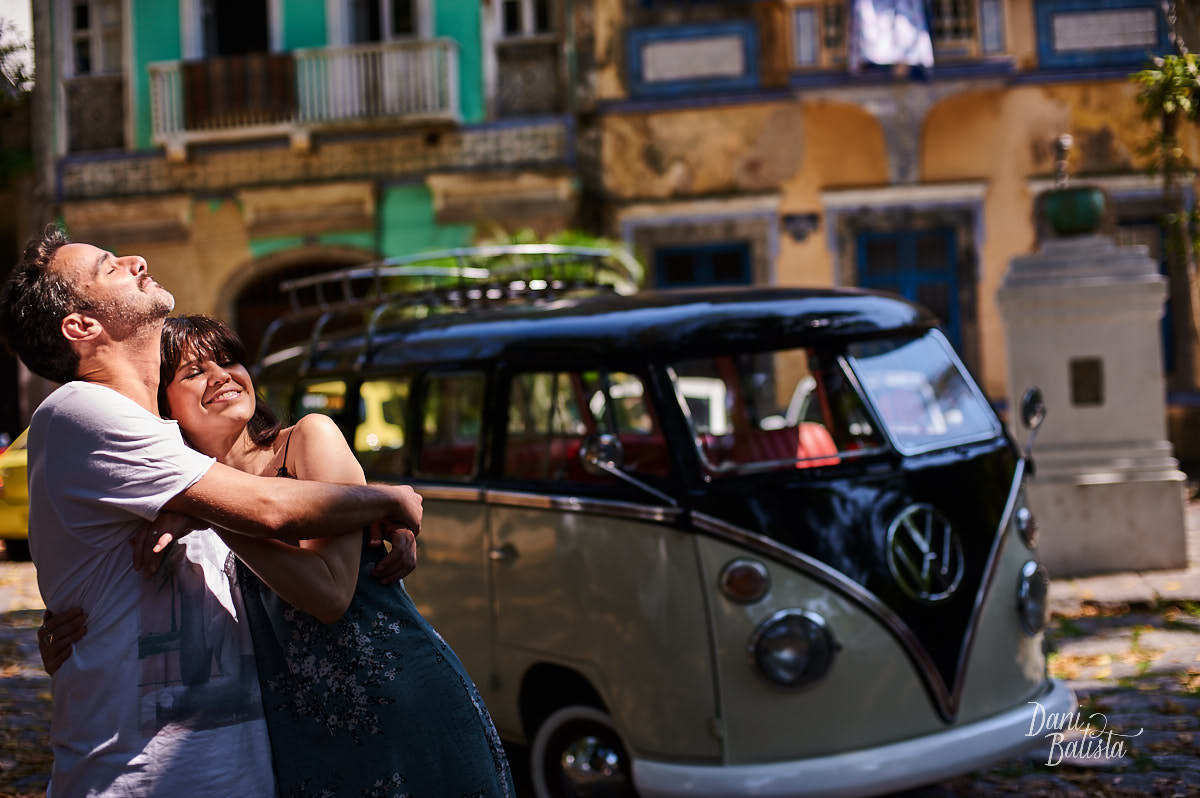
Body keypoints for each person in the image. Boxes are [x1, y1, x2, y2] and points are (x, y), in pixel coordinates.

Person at [0, 227, 422, 797]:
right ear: (81, 326)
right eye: (109, 267)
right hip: (133, 781)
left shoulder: (181, 451)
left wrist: (353, 512)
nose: (136, 259)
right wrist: (391, 498)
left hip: (246, 771)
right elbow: (272, 511)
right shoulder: (79, 409)